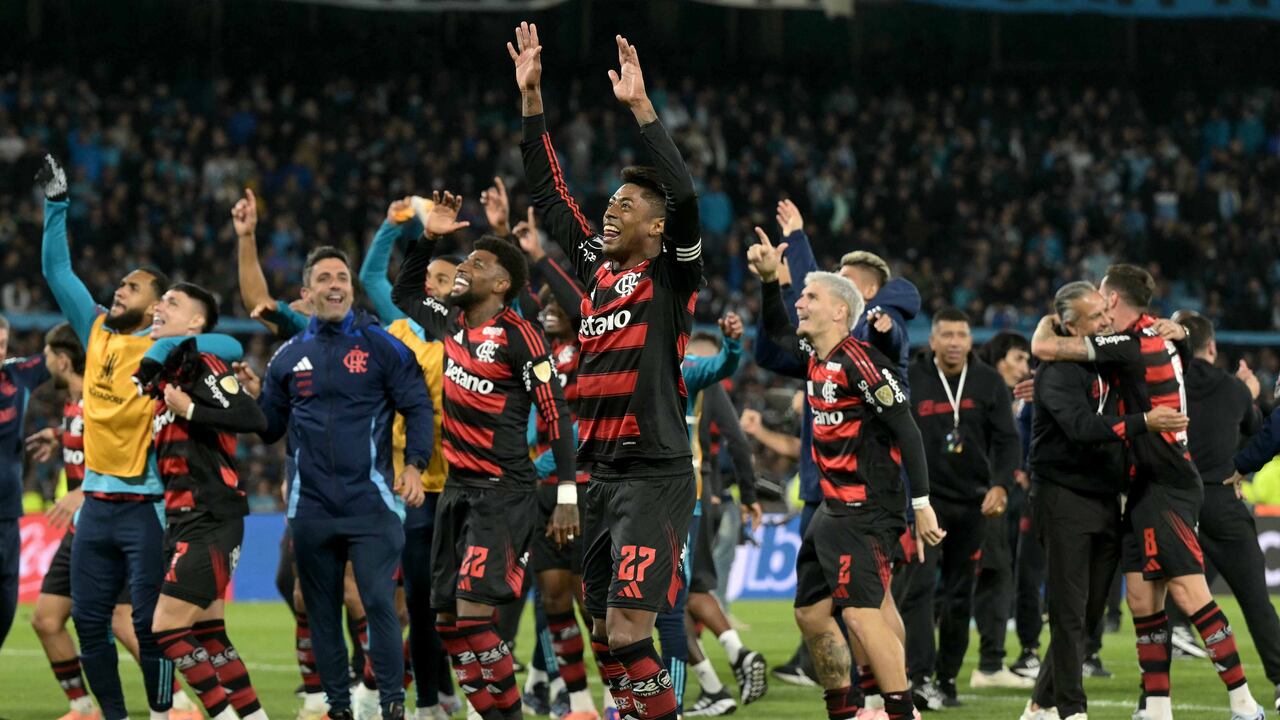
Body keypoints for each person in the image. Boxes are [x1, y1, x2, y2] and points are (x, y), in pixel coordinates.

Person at [514, 24, 703, 720]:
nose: (610, 210)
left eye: (626, 206)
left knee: (629, 630)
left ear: (657, 229)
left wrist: (642, 110)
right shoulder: (596, 271)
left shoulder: (670, 278)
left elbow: (681, 195)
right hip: (599, 473)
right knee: (603, 632)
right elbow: (549, 194)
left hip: (653, 470)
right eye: (612, 203)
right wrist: (532, 102)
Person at [38, 154, 242, 720]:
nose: (119, 289)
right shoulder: (98, 329)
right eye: (120, 283)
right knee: (89, 623)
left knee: (152, 627)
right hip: (96, 510)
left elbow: (230, 346)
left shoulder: (173, 349)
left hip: (148, 508)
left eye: (132, 285)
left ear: (158, 304)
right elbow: (59, 273)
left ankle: (161, 712)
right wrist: (57, 207)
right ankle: (114, 715)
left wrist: (171, 349)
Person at [1031, 264, 1265, 720]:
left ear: (1112, 299)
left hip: (1168, 482)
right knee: (1141, 598)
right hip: (1144, 483)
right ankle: (1156, 708)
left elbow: (1045, 345)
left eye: (1101, 302)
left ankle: (1244, 702)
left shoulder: (1133, 342)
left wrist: (1048, 321)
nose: (1100, 312)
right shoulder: (1159, 335)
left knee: (1189, 593)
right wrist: (1180, 333)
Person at [391, 192, 576, 720]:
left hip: (503, 493)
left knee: (473, 620)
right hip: (456, 491)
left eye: (478, 263)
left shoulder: (521, 337)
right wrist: (430, 238)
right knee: (447, 622)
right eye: (465, 260)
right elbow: (406, 289)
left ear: (501, 285)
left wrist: (566, 495)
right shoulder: (451, 322)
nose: (465, 267)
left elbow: (556, 413)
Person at [749, 226, 943, 720]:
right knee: (812, 613)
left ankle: (899, 712)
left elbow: (908, 430)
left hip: (865, 510)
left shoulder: (863, 362)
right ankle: (847, 709)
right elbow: (772, 334)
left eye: (810, 295)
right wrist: (771, 281)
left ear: (839, 311)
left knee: (860, 612)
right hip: (830, 510)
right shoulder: (816, 357)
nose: (801, 301)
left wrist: (920, 505)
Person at [250, 243, 433, 720]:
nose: (336, 285)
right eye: (325, 278)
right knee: (321, 612)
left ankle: (391, 704)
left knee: (378, 602)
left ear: (351, 289)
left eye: (342, 278)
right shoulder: (288, 356)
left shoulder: (381, 346)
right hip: (310, 509)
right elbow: (269, 426)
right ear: (306, 292)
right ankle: (337, 707)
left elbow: (417, 405)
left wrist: (414, 463)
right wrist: (244, 402)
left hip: (371, 504)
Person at [1020, 281, 1188, 720]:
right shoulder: (1055, 372)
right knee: (1068, 609)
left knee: (1092, 614)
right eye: (1095, 318)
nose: (1106, 322)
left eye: (1105, 314)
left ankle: (1039, 705)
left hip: (1103, 496)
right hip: (1062, 495)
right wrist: (1144, 422)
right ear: (1069, 326)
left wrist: (1179, 332)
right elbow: (1080, 427)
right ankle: (1072, 711)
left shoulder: (1107, 362)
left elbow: (1152, 349)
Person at [137, 283, 268, 720]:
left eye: (171, 303)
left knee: (167, 628)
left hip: (209, 515)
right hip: (185, 518)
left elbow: (253, 416)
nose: (159, 306)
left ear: (195, 322)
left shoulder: (201, 365)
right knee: (210, 635)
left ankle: (224, 717)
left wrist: (191, 409)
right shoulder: (170, 375)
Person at [360, 196, 463, 720]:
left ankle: (454, 690)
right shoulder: (397, 327)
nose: (433, 286)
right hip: (414, 487)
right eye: (431, 278)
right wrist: (391, 222)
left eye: (445, 280)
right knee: (421, 607)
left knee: (460, 606)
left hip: (468, 482)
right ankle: (429, 702)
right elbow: (372, 273)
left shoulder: (467, 336)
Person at [904, 308, 1023, 704]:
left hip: (974, 504)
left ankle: (947, 678)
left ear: (971, 341)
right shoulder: (913, 377)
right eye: (947, 334)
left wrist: (1002, 486)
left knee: (959, 595)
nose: (955, 342)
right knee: (918, 590)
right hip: (926, 504)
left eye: (962, 335)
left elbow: (1008, 440)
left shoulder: (989, 382)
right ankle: (918, 676)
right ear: (933, 340)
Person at [1181, 312, 1280, 715]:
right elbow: (1257, 429)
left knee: (1158, 602)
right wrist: (1250, 395)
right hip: (1222, 500)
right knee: (1256, 599)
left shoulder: (1155, 386)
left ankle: (1150, 698)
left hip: (1173, 504)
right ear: (1212, 347)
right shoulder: (1232, 390)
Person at [0, 312, 50, 653]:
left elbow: (66, 350)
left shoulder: (18, 374)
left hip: (7, 514)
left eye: (1, 344)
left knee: (5, 605)